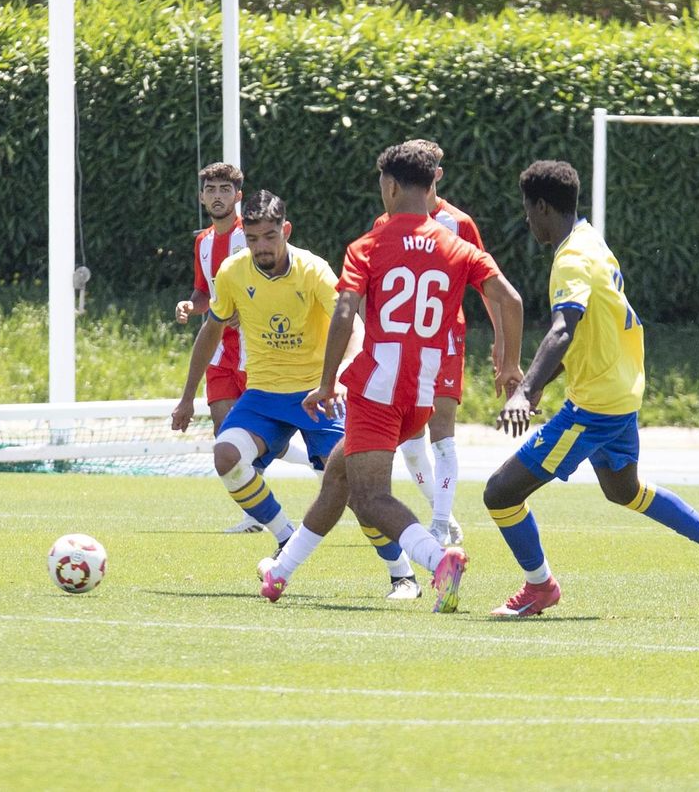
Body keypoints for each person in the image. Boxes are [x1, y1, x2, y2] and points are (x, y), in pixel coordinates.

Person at [488, 160, 699, 616]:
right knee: (623, 489)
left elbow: (563, 329)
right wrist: (536, 387)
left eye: (527, 209)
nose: (526, 219)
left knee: (500, 493)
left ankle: (540, 587)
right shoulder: (591, 241)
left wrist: (525, 391)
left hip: (594, 407)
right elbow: (587, 332)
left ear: (542, 207)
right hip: (621, 391)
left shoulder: (571, 260)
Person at [262, 142, 525, 612]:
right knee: (339, 475)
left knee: (370, 497)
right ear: (430, 185)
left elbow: (345, 312)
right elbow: (511, 300)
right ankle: (280, 573)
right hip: (420, 393)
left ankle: (439, 560)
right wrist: (510, 365)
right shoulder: (458, 246)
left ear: (391, 186)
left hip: (377, 389)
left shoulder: (369, 244)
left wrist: (327, 383)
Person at [171, 190, 422, 598]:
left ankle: (402, 574)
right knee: (226, 456)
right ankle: (285, 537)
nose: (261, 247)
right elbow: (211, 331)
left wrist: (339, 377)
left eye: (270, 237)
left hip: (318, 395)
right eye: (253, 239)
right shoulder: (233, 273)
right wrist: (187, 397)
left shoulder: (313, 270)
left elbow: (353, 325)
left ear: (285, 230)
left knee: (358, 490)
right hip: (264, 394)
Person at [171, 162, 314, 533]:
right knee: (228, 436)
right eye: (211, 189)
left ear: (238, 196)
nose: (217, 196)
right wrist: (191, 305)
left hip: (258, 348)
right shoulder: (203, 242)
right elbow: (205, 292)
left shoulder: (252, 236)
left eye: (225, 189)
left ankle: (313, 465)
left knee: (262, 433)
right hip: (220, 351)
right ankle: (258, 516)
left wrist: (249, 310)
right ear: (201, 198)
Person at [378, 139, 492, 547]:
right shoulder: (383, 224)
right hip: (400, 345)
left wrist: (500, 344)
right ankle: (443, 514)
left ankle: (440, 524)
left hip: (444, 339)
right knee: (411, 444)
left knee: (441, 432)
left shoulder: (459, 223)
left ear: (437, 174)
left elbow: (489, 285)